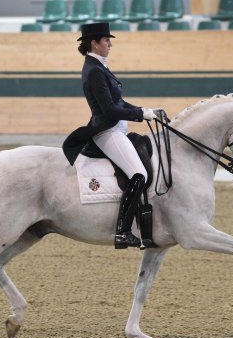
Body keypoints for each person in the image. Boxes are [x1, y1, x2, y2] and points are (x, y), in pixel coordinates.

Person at [62, 22, 162, 249]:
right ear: (94, 43)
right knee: (138, 174)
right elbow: (110, 110)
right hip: (107, 130)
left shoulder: (100, 67)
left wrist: (145, 111)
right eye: (107, 40)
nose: (110, 44)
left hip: (117, 128)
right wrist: (140, 114)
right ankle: (122, 231)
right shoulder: (94, 71)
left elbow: (118, 102)